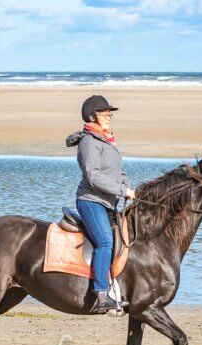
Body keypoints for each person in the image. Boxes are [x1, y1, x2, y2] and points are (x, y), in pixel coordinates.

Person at [66, 95, 135, 313]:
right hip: (91, 201)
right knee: (105, 241)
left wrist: (128, 190)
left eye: (109, 114)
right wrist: (123, 191)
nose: (108, 117)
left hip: (108, 202)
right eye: (104, 114)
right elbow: (93, 176)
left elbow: (119, 172)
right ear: (92, 116)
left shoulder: (107, 140)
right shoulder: (88, 142)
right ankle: (100, 294)